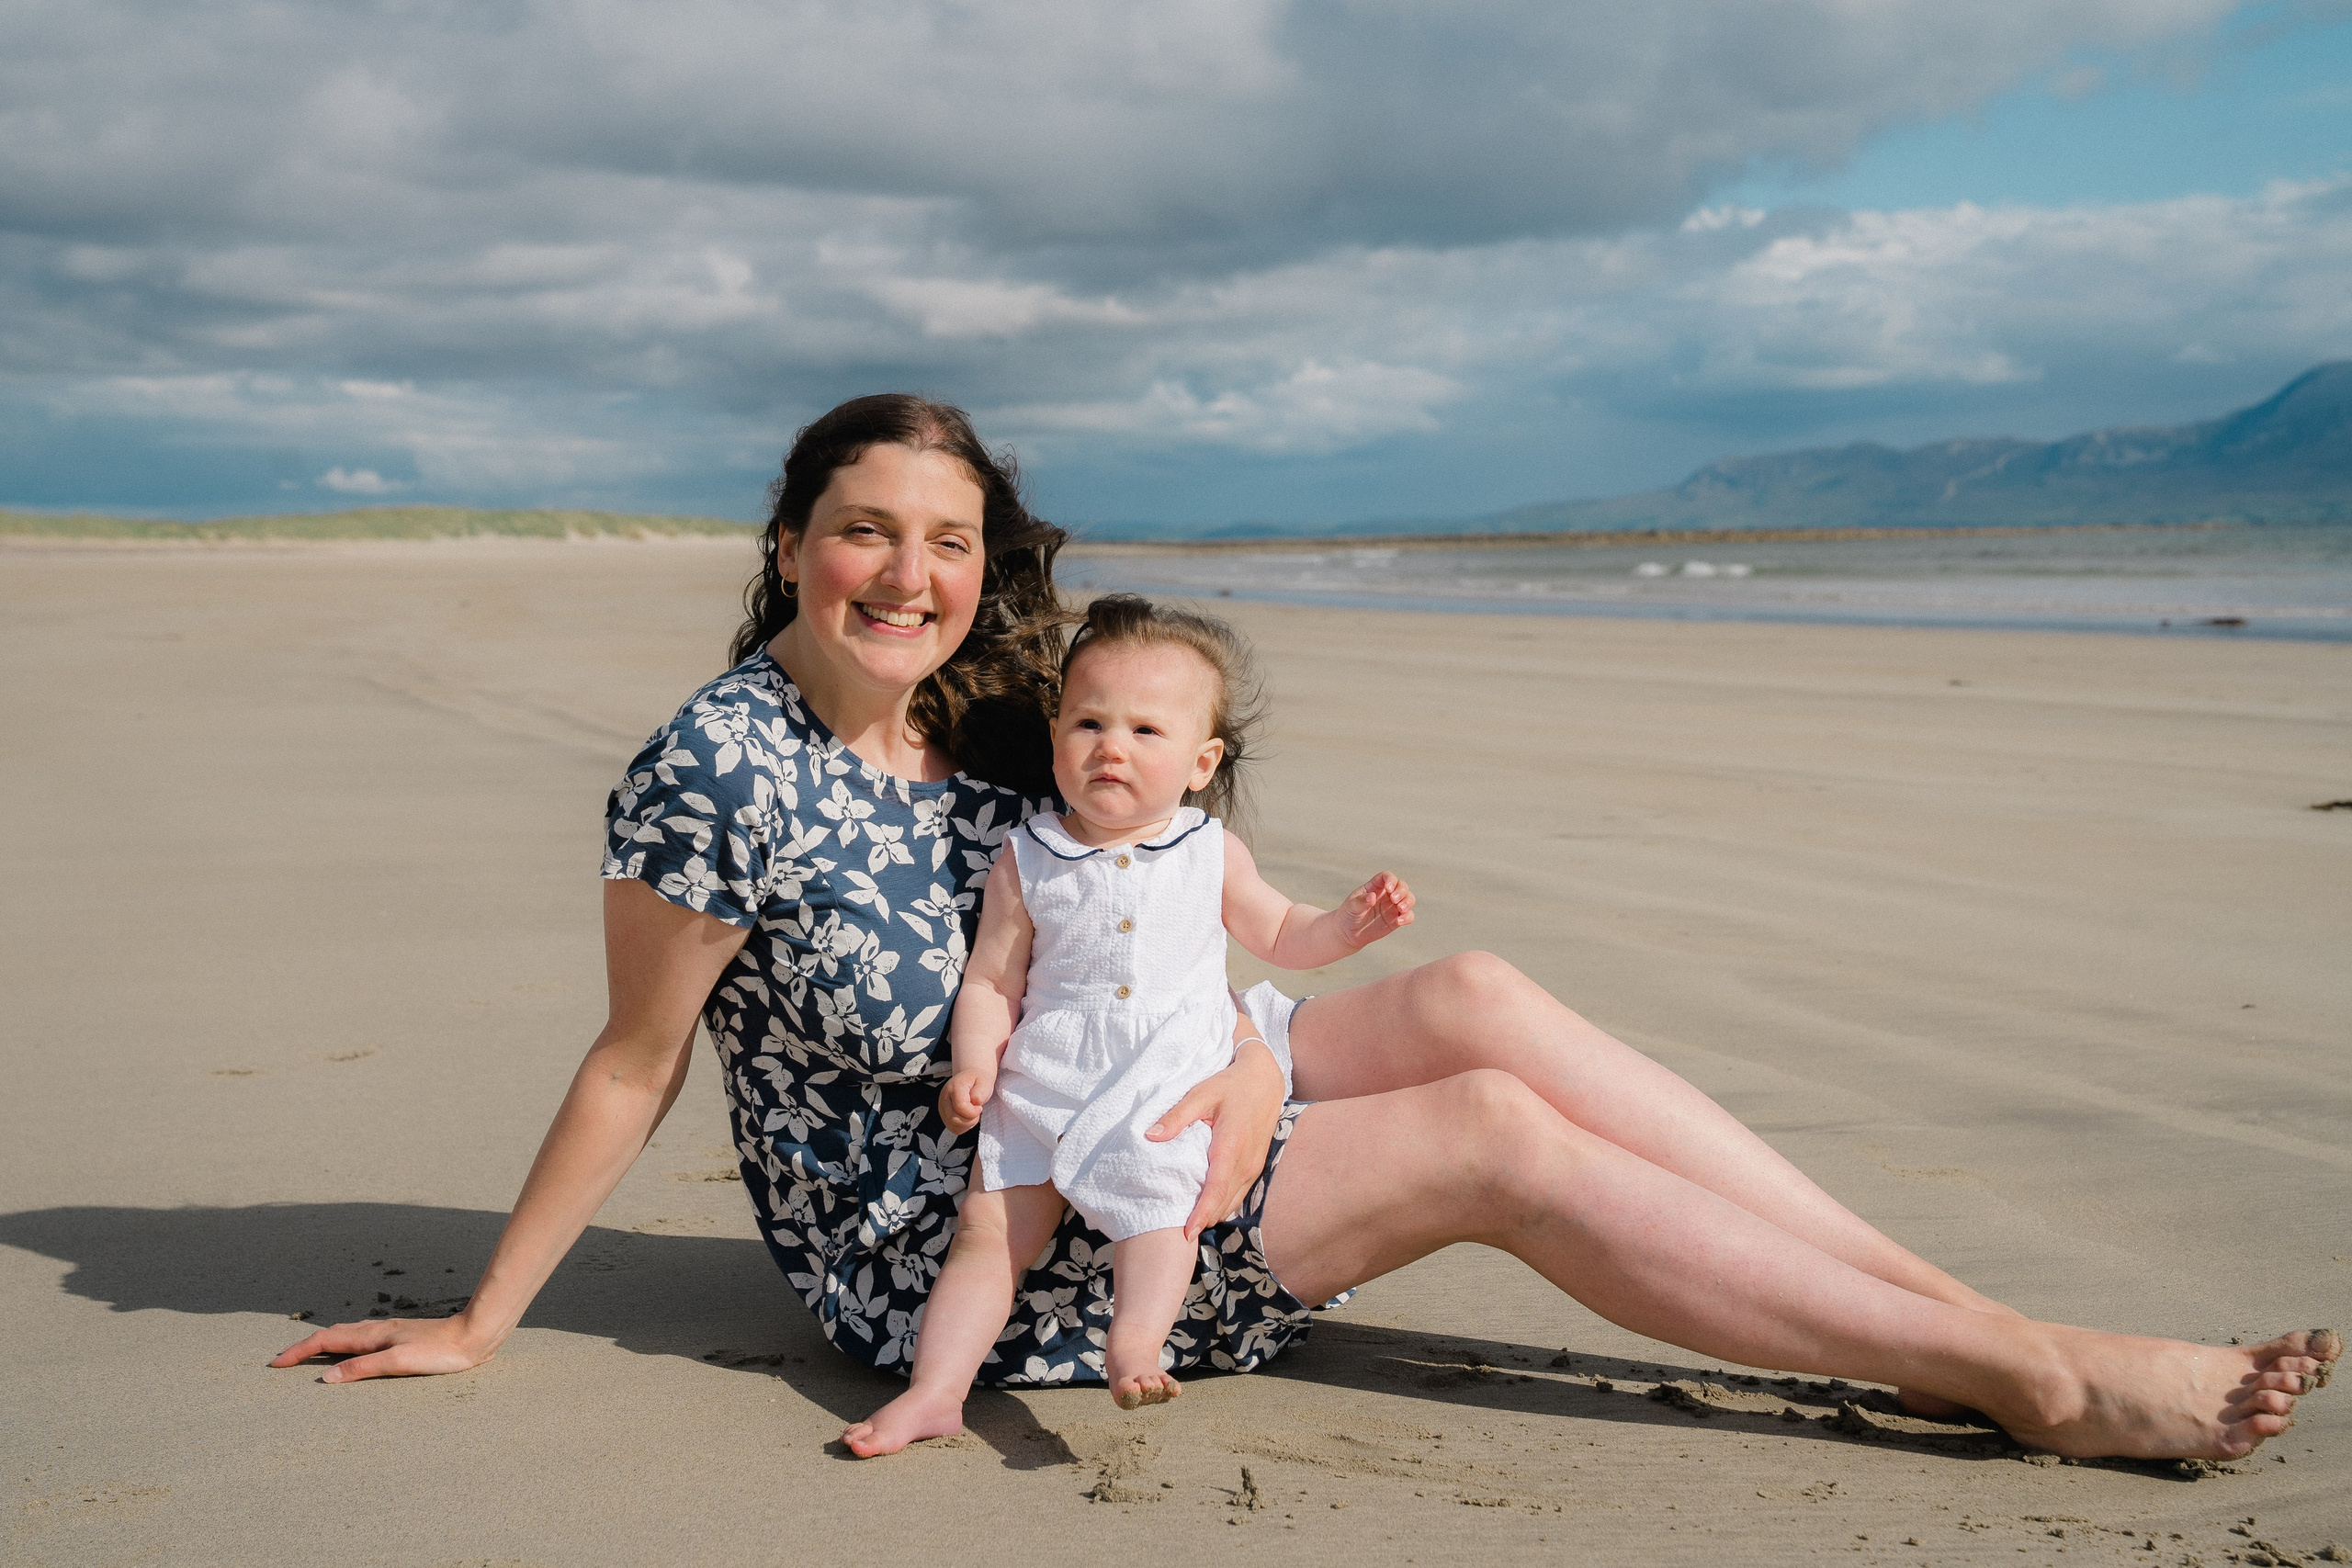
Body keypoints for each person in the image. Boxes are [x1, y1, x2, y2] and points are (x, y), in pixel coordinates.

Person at [273, 392, 2336, 1462]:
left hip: (1143, 1073)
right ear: (791, 545)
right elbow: (634, 1063)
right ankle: (2035, 1381)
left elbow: (1165, 902)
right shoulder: (716, 765)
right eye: (861, 530)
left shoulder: (992, 720)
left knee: (1469, 994)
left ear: (982, 567)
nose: (900, 571)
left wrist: (1260, 1045)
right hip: (986, 1222)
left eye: (944, 539)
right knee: (1494, 1140)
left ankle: (1955, 1313)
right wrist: (477, 1318)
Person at [847, 595, 1412, 1448]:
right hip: (1046, 1074)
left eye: (1146, 731)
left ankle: (1136, 1343)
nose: (1111, 745)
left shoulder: (1208, 849)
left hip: (1161, 1075)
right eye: (1088, 723)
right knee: (987, 1232)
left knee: (1162, 1213)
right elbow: (992, 979)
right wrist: (974, 1064)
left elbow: (1277, 928)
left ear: (1200, 760)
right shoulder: (1030, 854)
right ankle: (937, 1389)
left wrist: (1345, 926)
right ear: (1056, 737)